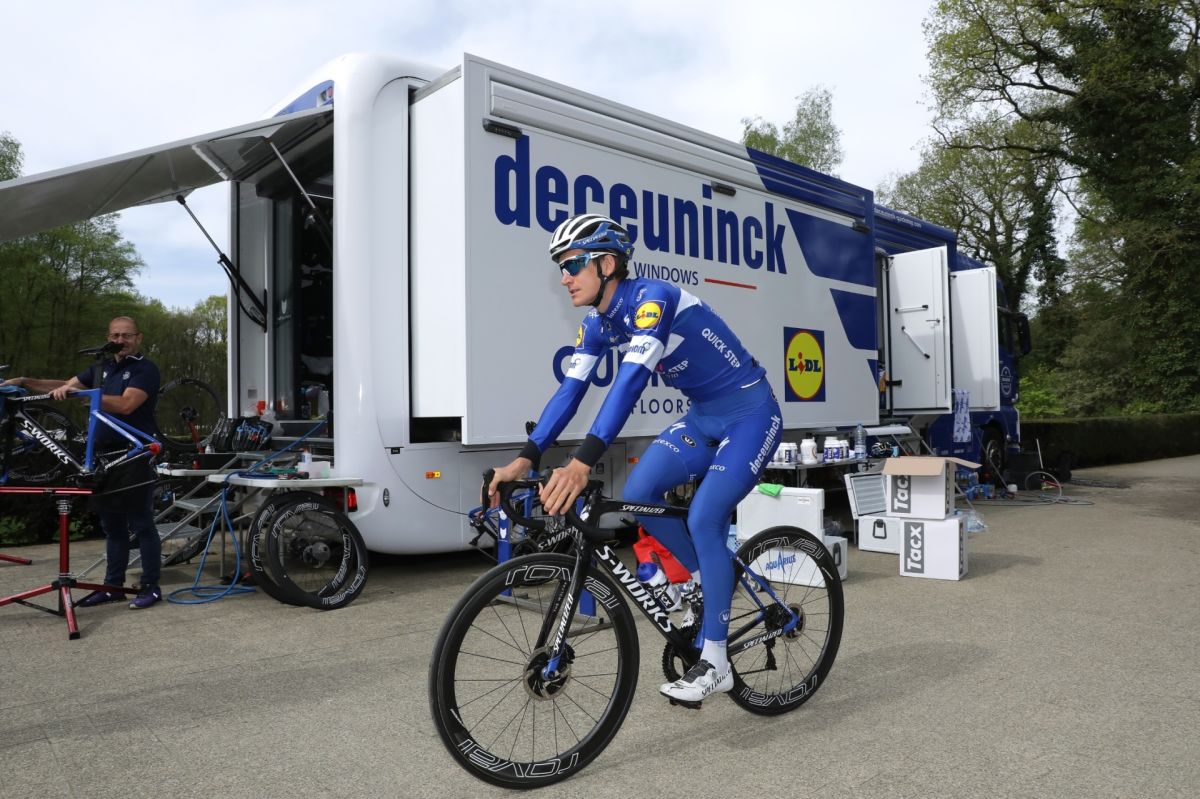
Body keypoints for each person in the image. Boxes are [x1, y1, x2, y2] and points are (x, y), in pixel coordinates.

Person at [489, 214, 782, 704]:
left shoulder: (653, 299)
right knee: (640, 493)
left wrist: (583, 461)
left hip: (751, 413)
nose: (564, 278)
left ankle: (716, 662)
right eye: (561, 267)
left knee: (705, 517)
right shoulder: (598, 323)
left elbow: (629, 382)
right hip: (705, 418)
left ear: (607, 264)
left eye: (573, 265)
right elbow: (570, 391)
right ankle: (706, 582)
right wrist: (525, 457)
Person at [2, 316, 163, 609]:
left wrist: (84, 396)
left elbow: (127, 404)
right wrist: (25, 381)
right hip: (101, 456)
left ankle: (151, 587)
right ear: (108, 337)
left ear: (138, 338)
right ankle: (112, 587)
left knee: (141, 524)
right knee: (112, 526)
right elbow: (65, 385)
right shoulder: (102, 367)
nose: (120, 340)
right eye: (115, 335)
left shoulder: (145, 369)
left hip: (132, 453)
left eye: (127, 335)